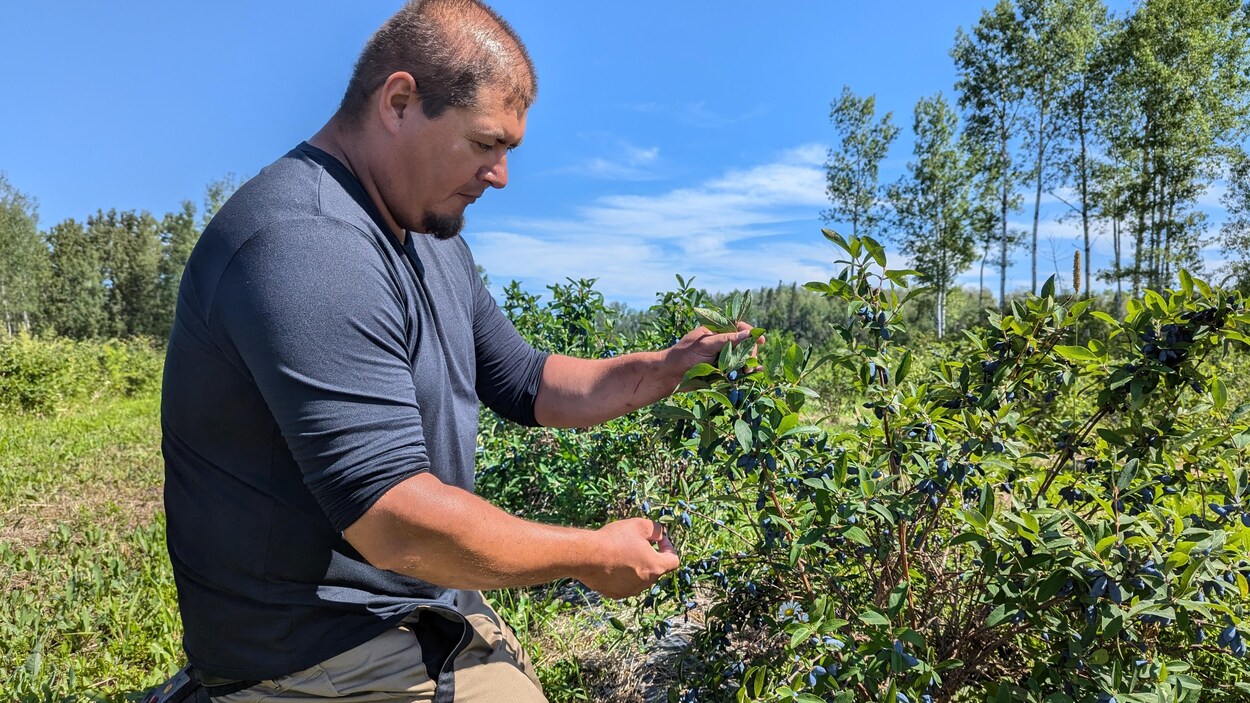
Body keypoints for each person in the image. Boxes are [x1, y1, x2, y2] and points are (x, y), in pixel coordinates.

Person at [160, 1, 757, 702]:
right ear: (400, 102)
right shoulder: (305, 243)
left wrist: (662, 369)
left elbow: (528, 380)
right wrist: (590, 554)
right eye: (485, 144)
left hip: (415, 608)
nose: (500, 175)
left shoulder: (430, 240)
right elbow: (395, 517)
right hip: (317, 655)